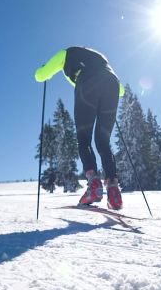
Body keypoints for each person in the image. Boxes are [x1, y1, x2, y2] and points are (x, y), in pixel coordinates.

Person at [35, 46, 125, 210]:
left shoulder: (67, 53)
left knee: (84, 138)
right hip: (112, 85)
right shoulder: (103, 59)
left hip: (87, 82)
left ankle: (94, 186)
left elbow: (41, 76)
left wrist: (41, 71)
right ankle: (113, 191)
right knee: (103, 141)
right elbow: (122, 91)